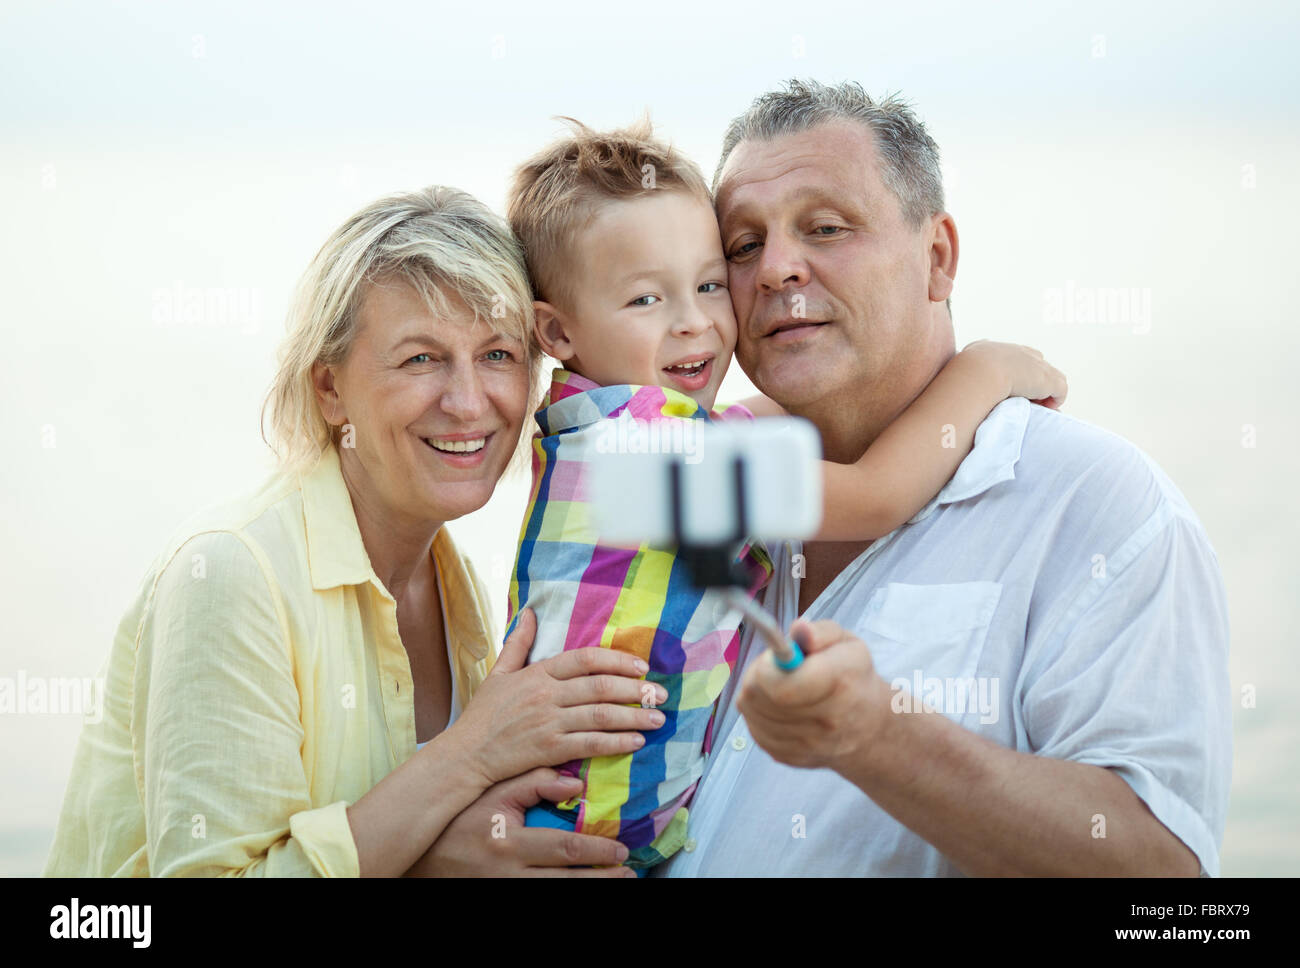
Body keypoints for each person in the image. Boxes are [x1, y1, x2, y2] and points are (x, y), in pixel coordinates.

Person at [656, 79, 1232, 877]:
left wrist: (878, 737)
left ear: (937, 258)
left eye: (825, 227)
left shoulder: (1096, 501)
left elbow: (1163, 879)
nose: (778, 268)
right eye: (744, 246)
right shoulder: (702, 477)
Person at [498, 117, 1067, 872]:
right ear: (557, 333)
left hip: (571, 814)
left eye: (707, 284)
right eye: (645, 301)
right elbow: (875, 494)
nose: (695, 322)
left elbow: (751, 422)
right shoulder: (655, 453)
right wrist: (987, 372)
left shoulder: (587, 431)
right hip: (585, 834)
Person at [42, 186, 661, 877]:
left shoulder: (455, 585)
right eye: (420, 359)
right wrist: (473, 753)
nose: (467, 402)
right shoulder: (231, 573)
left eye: (496, 355)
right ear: (330, 389)